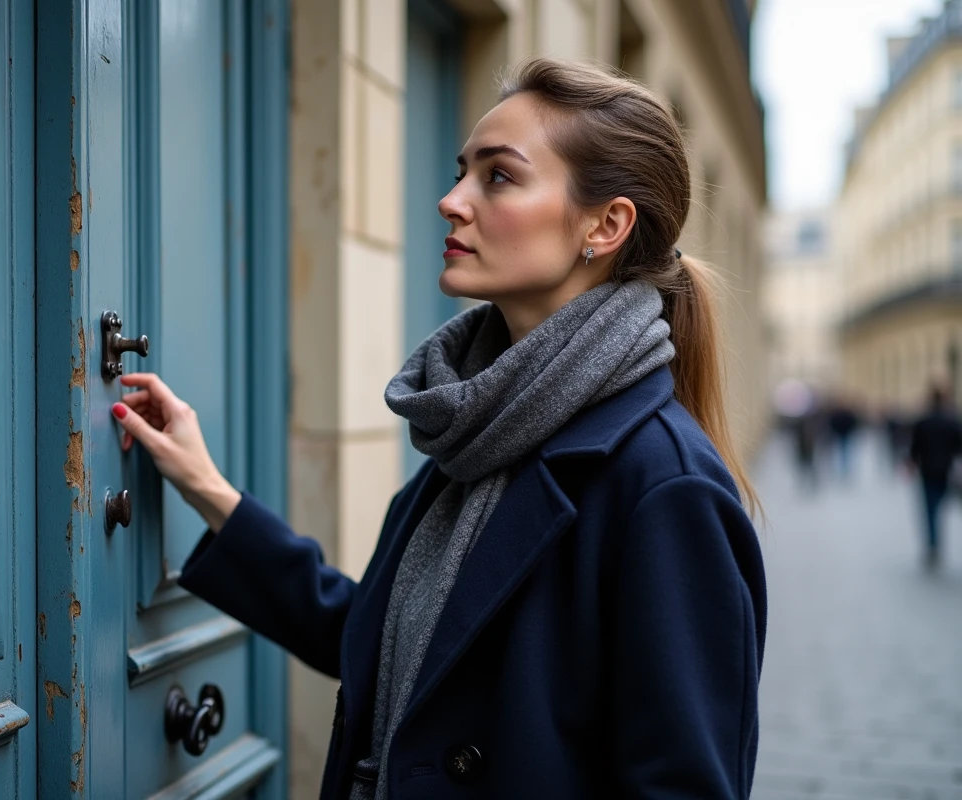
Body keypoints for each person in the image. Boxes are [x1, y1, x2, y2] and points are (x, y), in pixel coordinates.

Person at [112, 59, 766, 799]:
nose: (450, 201)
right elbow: (382, 641)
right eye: (463, 172)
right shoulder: (483, 429)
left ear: (606, 225)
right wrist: (208, 490)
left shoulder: (664, 485)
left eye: (498, 177)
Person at [908, 383, 962, 569]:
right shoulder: (952, 421)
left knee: (930, 512)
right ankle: (935, 546)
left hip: (928, 472)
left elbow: (915, 448)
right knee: (945, 509)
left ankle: (933, 547)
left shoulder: (923, 421)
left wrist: (911, 464)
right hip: (948, 472)